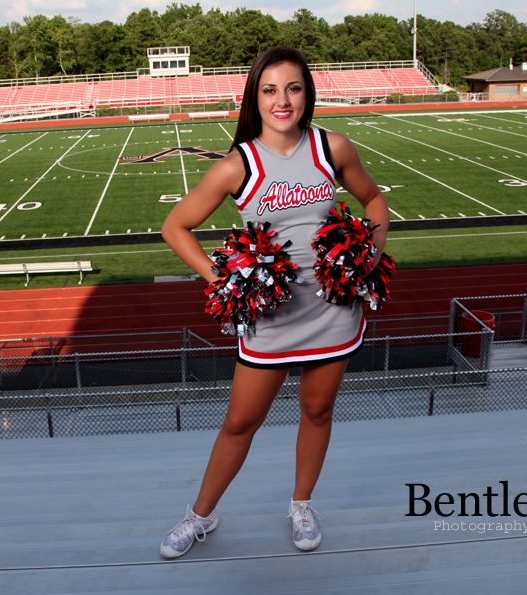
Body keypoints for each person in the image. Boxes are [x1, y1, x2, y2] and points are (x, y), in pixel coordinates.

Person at [159, 46, 389, 559]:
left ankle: (301, 505)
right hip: (271, 318)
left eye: (293, 88)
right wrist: (224, 280)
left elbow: (374, 200)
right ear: (255, 99)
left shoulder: (332, 147)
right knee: (240, 421)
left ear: (307, 94)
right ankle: (199, 515)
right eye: (270, 90)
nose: (282, 100)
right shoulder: (237, 164)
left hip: (332, 310)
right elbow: (176, 226)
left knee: (318, 410)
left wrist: (368, 256)